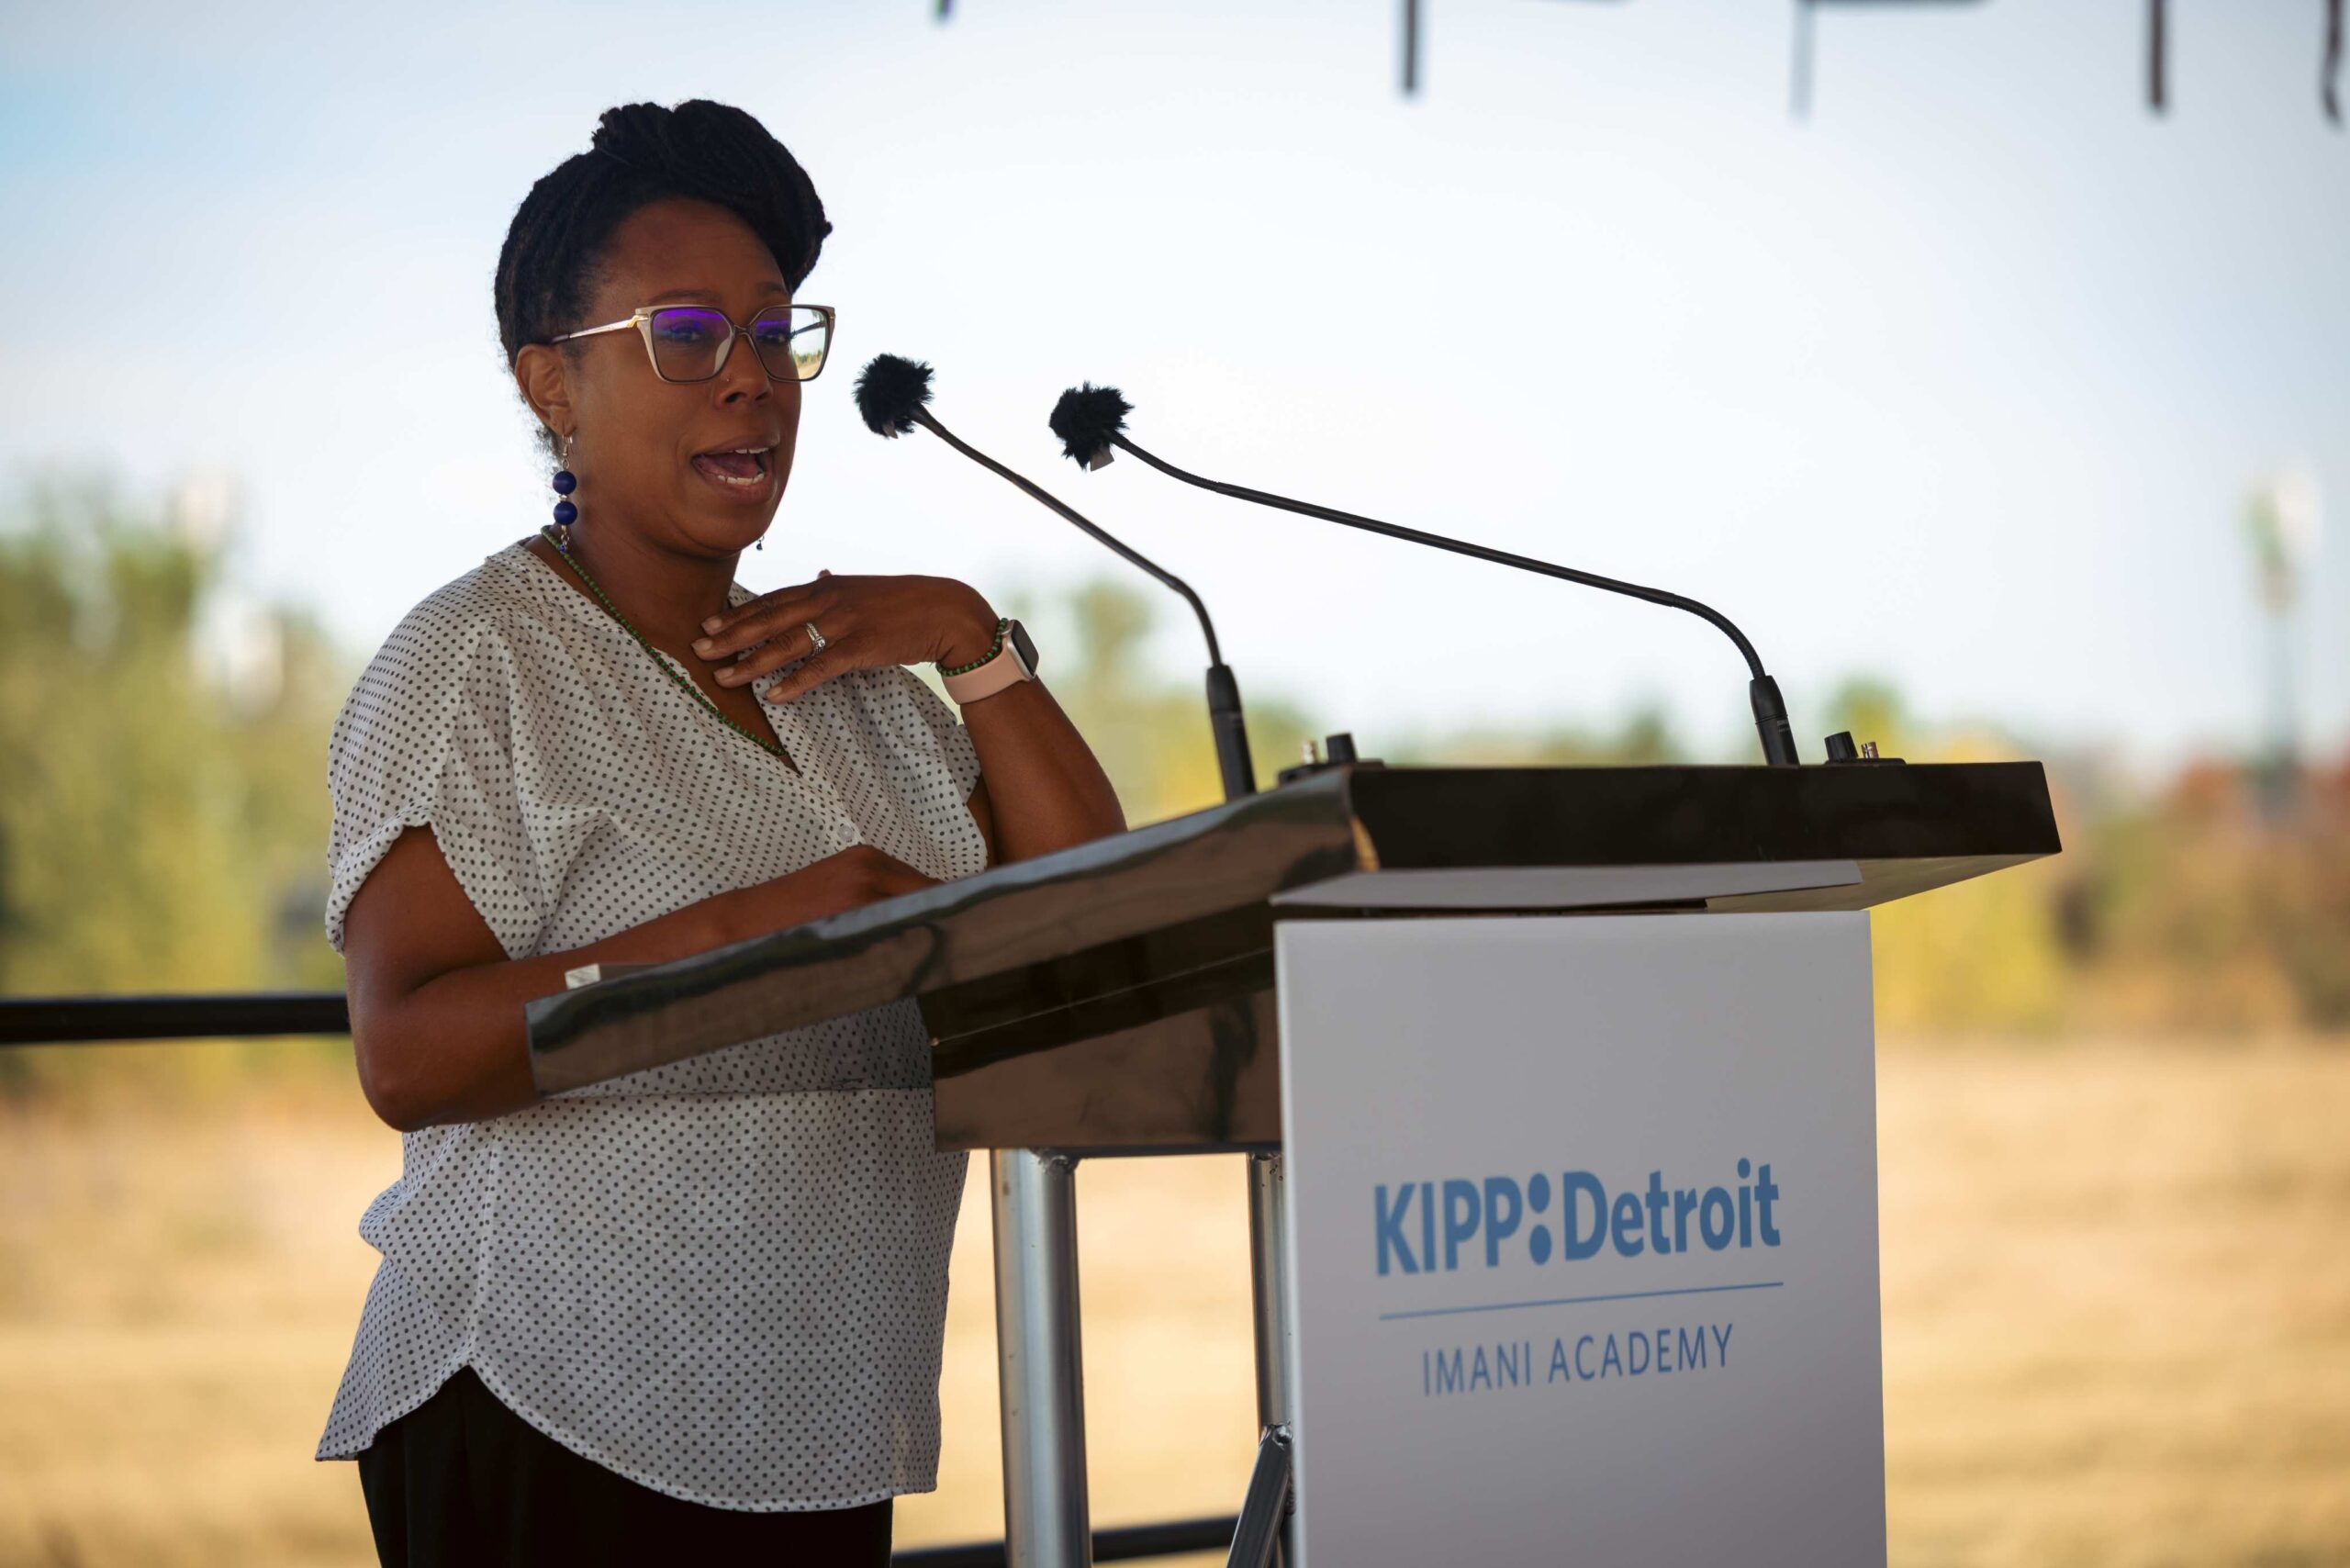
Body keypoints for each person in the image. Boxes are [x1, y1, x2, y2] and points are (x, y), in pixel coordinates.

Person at [314, 98, 1125, 1566]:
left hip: (810, 1416)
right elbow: (408, 1056)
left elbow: (1081, 920)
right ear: (551, 386)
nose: (751, 382)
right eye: (686, 336)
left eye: (774, 334)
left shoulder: (853, 674)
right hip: (553, 1405)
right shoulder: (477, 662)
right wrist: (764, 932)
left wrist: (963, 633)